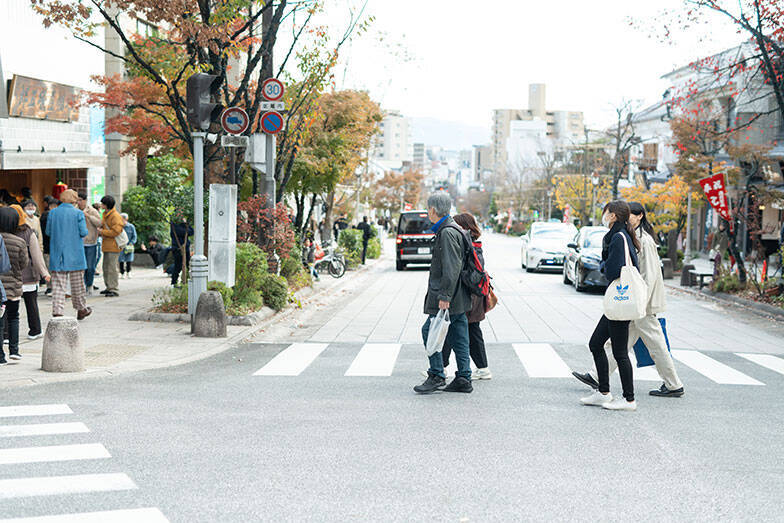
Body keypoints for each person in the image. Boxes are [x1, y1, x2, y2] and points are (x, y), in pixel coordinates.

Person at [573, 202, 684, 398]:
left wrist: (640, 304)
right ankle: (598, 376)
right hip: (634, 301)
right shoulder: (633, 236)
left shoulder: (643, 240)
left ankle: (672, 384)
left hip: (639, 303)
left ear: (639, 216)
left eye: (631, 215)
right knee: (619, 345)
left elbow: (649, 274)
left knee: (653, 345)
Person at [579, 200, 640, 411]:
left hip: (620, 302)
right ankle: (603, 392)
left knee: (620, 352)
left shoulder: (617, 238)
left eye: (605, 212)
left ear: (613, 215)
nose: (603, 216)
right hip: (618, 303)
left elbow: (612, 271)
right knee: (596, 344)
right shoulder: (623, 236)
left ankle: (629, 399)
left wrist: (603, 262)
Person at [414, 192, 473, 394]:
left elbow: (451, 267)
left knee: (429, 331)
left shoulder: (447, 232)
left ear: (432, 210)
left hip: (450, 296)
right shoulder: (453, 229)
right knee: (459, 335)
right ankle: (464, 378)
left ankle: (437, 374)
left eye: (427, 209)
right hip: (459, 296)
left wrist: (444, 297)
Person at [439, 212, 492, 380]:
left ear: (464, 228)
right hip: (473, 296)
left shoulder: (470, 247)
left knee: (452, 328)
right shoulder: (472, 245)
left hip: (469, 296)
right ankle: (482, 368)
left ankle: (441, 367)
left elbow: (466, 272)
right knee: (468, 330)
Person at [46, 190, 91, 320]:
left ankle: (58, 311)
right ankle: (81, 309)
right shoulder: (78, 213)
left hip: (57, 254)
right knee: (78, 284)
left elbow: (48, 231)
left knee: (59, 285)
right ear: (74, 200)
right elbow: (83, 232)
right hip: (75, 253)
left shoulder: (53, 213)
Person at [10, 205, 50, 341]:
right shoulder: (28, 232)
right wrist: (44, 273)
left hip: (9, 276)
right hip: (28, 275)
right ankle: (35, 330)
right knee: (31, 303)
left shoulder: (4, 232)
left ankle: (5, 335)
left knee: (8, 305)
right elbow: (36, 255)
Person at [0, 207, 30, 363]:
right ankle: (14, 350)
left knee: (0, 321)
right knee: (13, 317)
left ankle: (0, 354)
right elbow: (24, 263)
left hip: (0, 287)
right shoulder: (19, 242)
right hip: (13, 286)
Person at [97, 195, 124, 297]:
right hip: (107, 245)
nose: (101, 205)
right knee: (106, 267)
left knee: (112, 268)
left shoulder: (115, 216)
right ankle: (108, 287)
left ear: (106, 205)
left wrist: (102, 231)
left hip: (114, 246)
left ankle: (113, 288)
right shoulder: (106, 214)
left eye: (103, 203)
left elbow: (117, 231)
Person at [77, 192, 102, 295]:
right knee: (80, 267)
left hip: (91, 242)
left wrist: (88, 216)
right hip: (78, 243)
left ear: (85, 200)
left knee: (90, 266)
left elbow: (99, 223)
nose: (78, 202)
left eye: (80, 200)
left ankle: (89, 284)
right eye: (77, 200)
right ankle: (82, 285)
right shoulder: (75, 210)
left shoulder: (92, 211)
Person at [170, 217, 193, 286]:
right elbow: (184, 232)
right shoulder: (174, 225)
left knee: (188, 265)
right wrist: (185, 225)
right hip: (178, 248)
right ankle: (174, 283)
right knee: (178, 266)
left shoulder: (184, 225)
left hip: (185, 248)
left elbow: (192, 231)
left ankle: (187, 282)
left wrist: (186, 224)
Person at [118, 213, 137, 279]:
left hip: (129, 245)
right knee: (121, 259)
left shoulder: (131, 226)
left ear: (126, 219)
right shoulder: (119, 226)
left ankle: (129, 272)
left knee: (129, 259)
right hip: (121, 245)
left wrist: (132, 242)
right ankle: (122, 273)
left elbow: (134, 236)